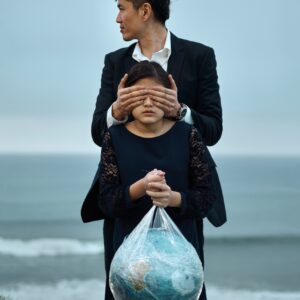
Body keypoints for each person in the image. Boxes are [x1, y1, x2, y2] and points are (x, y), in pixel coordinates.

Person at [81, 0, 226, 299]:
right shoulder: (114, 62)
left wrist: (180, 109)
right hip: (125, 195)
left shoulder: (199, 56)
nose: (117, 18)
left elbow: (213, 130)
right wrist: (117, 110)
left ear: (145, 10)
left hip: (181, 193)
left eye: (122, 8)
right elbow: (98, 131)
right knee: (125, 283)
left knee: (182, 283)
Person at [98, 60, 216, 299]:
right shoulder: (114, 137)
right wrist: (141, 188)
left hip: (178, 254)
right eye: (140, 96)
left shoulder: (188, 135)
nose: (149, 103)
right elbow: (107, 202)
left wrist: (172, 198)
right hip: (130, 257)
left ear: (171, 96)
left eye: (157, 96)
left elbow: (206, 198)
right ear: (126, 97)